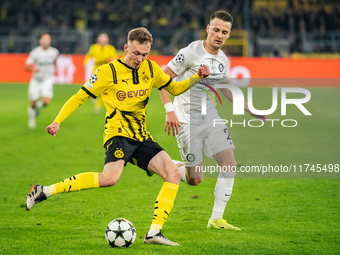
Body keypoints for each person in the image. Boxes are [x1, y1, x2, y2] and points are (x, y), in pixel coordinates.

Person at [25, 27, 210, 246]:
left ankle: (154, 233)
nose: (139, 59)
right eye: (136, 53)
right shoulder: (107, 72)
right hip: (117, 134)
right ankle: (44, 191)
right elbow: (78, 97)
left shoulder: (150, 69)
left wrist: (197, 77)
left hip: (141, 136)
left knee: (172, 174)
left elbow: (175, 88)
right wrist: (57, 120)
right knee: (110, 179)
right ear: (126, 48)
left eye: (144, 54)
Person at [159, 10, 267, 231]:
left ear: (229, 35)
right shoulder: (190, 51)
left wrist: (249, 109)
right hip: (186, 122)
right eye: (216, 30)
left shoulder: (223, 60)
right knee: (195, 180)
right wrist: (169, 110)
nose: (219, 35)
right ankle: (164, 164)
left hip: (211, 120)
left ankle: (216, 219)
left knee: (230, 163)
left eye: (224, 32)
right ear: (208, 29)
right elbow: (162, 77)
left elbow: (225, 88)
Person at [25, 32, 59, 128]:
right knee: (33, 103)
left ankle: (36, 109)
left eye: (48, 39)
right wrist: (33, 69)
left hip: (47, 80)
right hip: (36, 80)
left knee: (46, 102)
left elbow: (54, 61)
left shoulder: (54, 52)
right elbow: (26, 66)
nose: (46, 41)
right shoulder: (35, 52)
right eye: (44, 39)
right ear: (40, 40)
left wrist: (55, 69)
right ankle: (32, 116)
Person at [84, 33, 118, 113]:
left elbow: (114, 59)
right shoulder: (94, 47)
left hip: (105, 72)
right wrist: (85, 63)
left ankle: (98, 106)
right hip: (95, 72)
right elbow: (88, 56)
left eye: (104, 39)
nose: (103, 40)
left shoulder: (110, 48)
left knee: (103, 89)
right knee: (93, 88)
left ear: (107, 40)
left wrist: (113, 61)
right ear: (98, 39)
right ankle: (94, 95)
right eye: (101, 38)